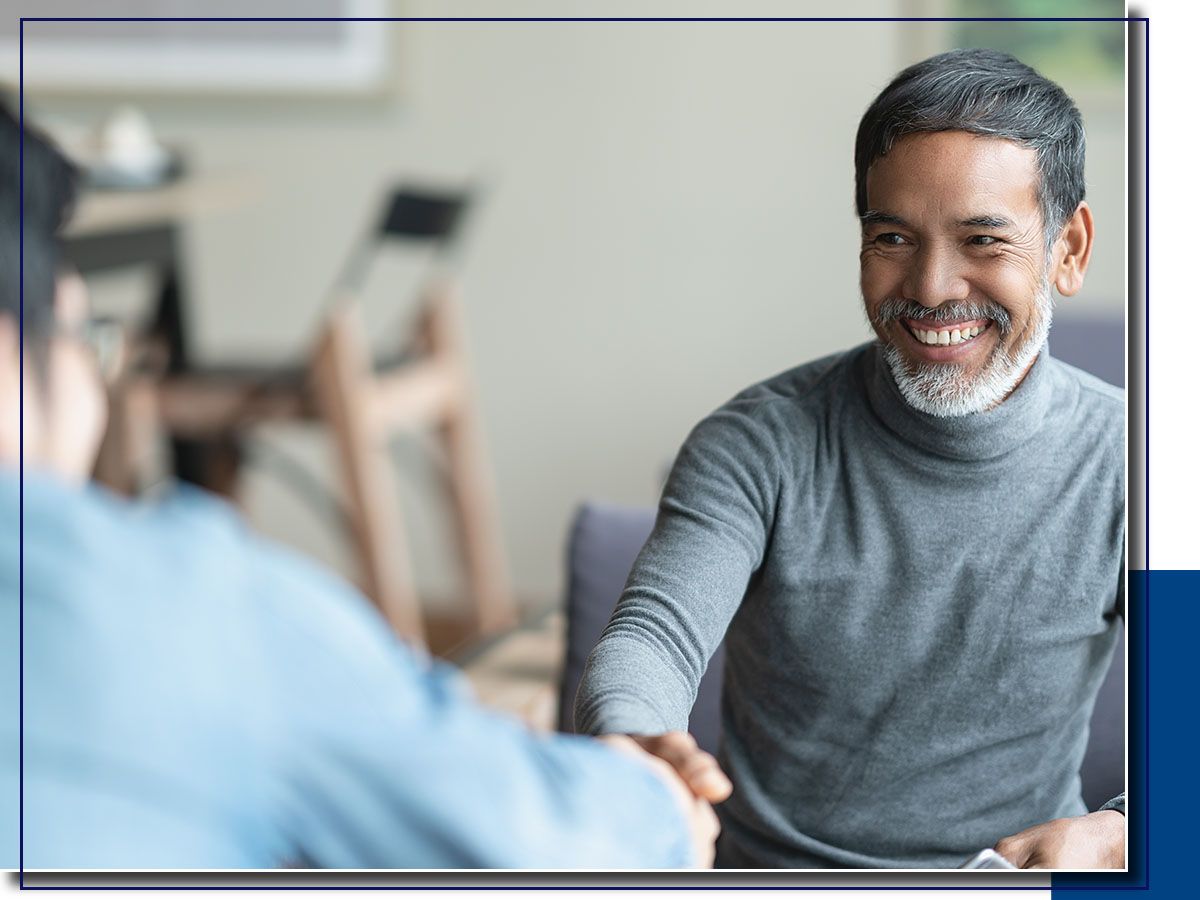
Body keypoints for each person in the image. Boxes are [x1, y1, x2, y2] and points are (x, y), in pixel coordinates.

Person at [0, 105, 732, 869]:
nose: (96, 384)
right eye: (88, 341)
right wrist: (655, 804)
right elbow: (545, 843)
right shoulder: (190, 611)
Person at [575, 49, 1126, 870]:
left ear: (1068, 249)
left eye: (983, 240)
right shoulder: (756, 444)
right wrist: (638, 738)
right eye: (893, 237)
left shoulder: (1143, 468)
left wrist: (1122, 827)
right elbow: (653, 639)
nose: (933, 287)